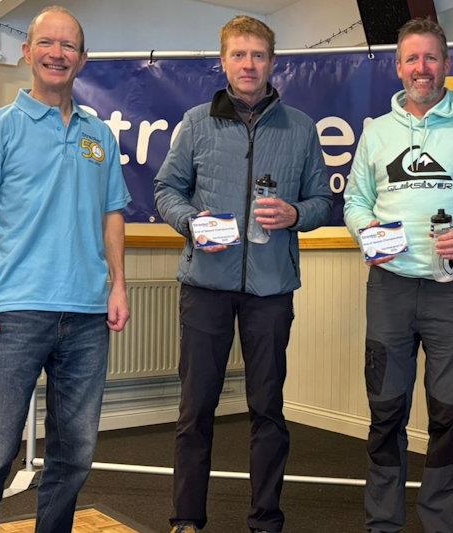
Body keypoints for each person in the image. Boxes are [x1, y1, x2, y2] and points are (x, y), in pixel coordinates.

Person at [0, 6, 130, 532]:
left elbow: (113, 214)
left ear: (83, 59)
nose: (57, 54)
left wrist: (118, 286)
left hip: (89, 316)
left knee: (74, 457)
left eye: (69, 46)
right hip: (16, 314)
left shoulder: (100, 136)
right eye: (47, 43)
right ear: (26, 52)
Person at [154, 15, 332, 533]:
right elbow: (166, 191)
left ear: (273, 63)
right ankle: (186, 518)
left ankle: (265, 520)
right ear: (223, 60)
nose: (248, 64)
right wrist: (191, 222)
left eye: (258, 55)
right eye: (239, 54)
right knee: (195, 410)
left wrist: (297, 214)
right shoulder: (195, 123)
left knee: (268, 410)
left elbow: (323, 201)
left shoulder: (299, 127)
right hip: (205, 287)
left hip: (271, 291)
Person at [343, 18, 453, 533]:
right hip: (390, 289)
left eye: (431, 58)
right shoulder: (376, 132)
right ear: (399, 67)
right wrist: (366, 229)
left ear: (446, 64)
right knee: (385, 414)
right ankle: (383, 524)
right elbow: (355, 201)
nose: (422, 68)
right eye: (412, 59)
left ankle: (441, 525)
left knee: (449, 417)